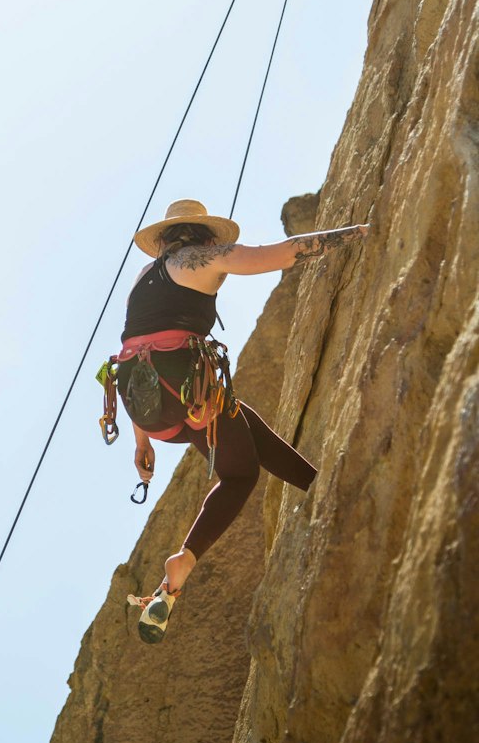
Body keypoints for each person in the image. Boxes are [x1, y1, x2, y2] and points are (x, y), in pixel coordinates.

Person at [113, 199, 368, 643]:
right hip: (182, 389)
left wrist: (142, 442)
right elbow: (281, 254)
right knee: (238, 475)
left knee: (242, 421)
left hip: (148, 406)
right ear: (204, 236)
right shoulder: (198, 259)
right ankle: (185, 560)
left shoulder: (144, 279)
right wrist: (358, 233)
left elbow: (138, 350)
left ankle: (316, 484)